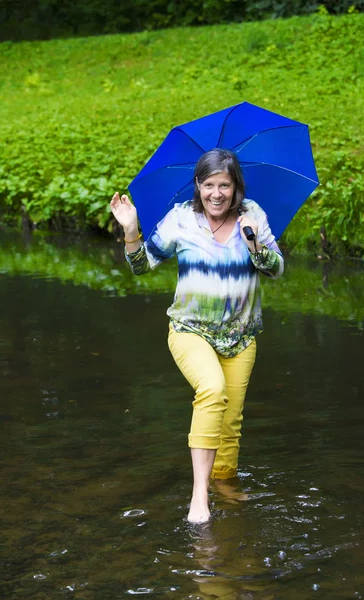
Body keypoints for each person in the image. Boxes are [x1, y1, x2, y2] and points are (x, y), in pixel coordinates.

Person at [110, 148, 284, 524]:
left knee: (230, 421)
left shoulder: (252, 216)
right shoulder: (181, 219)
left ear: (236, 187)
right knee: (211, 390)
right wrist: (130, 229)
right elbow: (142, 266)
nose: (216, 194)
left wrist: (254, 245)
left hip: (240, 337)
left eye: (225, 185)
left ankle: (224, 485)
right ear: (198, 186)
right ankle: (199, 498)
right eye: (209, 185)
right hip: (190, 331)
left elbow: (276, 269)